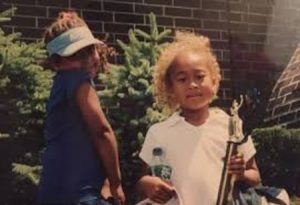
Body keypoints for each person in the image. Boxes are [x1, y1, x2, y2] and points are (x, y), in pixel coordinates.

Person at [135, 31, 261, 205]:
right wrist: (147, 184)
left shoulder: (231, 127)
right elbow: (142, 181)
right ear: (170, 88)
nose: (192, 85)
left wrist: (241, 174)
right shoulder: (159, 133)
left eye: (200, 77)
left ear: (214, 80)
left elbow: (255, 177)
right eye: (182, 79)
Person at [38, 11, 125, 205]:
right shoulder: (78, 79)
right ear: (57, 62)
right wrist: (115, 183)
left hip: (53, 187)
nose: (88, 59)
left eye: (89, 50)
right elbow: (102, 132)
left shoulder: (60, 85)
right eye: (76, 55)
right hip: (77, 192)